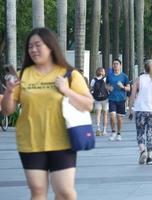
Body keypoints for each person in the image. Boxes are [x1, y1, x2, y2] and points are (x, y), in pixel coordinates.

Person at [1, 27, 93, 200]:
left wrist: (66, 90)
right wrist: (9, 91)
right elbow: (7, 110)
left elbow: (88, 104)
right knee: (37, 190)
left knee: (65, 192)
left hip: (62, 141)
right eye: (30, 47)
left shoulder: (68, 74)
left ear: (50, 46)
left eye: (38, 45)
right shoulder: (23, 75)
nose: (33, 50)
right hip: (30, 141)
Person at [128, 60, 152, 165]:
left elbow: (132, 95)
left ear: (144, 68)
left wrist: (130, 109)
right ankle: (150, 157)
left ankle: (143, 150)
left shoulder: (139, 79)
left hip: (140, 109)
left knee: (140, 133)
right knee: (151, 134)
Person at [106, 59, 130, 141]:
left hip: (121, 99)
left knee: (119, 117)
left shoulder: (124, 76)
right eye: (114, 64)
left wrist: (122, 87)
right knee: (112, 116)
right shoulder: (109, 76)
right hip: (112, 99)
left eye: (117, 64)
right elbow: (106, 86)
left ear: (120, 65)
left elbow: (128, 88)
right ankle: (113, 132)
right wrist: (109, 88)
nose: (115, 65)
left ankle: (119, 133)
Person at [90, 67, 109, 136]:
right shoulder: (105, 79)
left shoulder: (93, 80)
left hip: (97, 99)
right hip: (105, 99)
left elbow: (91, 89)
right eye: (103, 71)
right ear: (102, 72)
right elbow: (108, 88)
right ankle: (104, 130)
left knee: (98, 114)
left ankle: (98, 128)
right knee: (105, 115)